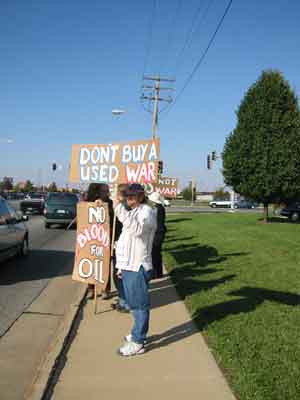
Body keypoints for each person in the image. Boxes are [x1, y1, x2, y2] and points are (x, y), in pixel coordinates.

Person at [114, 184, 157, 356]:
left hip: (138, 265)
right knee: (133, 304)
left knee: (139, 305)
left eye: (132, 196)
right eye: (126, 196)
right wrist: (120, 265)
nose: (128, 198)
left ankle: (138, 341)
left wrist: (118, 208)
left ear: (140, 196)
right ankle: (137, 332)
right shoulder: (133, 211)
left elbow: (138, 230)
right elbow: (126, 241)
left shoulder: (147, 212)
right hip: (128, 265)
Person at [86, 183, 114, 300]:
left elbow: (113, 219)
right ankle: (91, 289)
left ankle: (105, 289)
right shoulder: (88, 203)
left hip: (105, 238)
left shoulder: (110, 203)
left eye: (108, 191)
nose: (107, 193)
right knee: (90, 264)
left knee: (105, 264)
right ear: (97, 192)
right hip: (91, 238)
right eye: (105, 191)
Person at [111, 183, 130, 313]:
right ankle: (122, 299)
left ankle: (126, 302)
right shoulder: (123, 206)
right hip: (118, 243)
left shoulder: (125, 207)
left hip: (122, 245)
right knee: (118, 275)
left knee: (120, 275)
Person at [148, 191, 167, 279]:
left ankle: (155, 273)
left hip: (157, 233)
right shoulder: (160, 208)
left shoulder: (157, 209)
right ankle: (158, 273)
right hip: (159, 232)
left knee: (154, 254)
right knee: (156, 254)